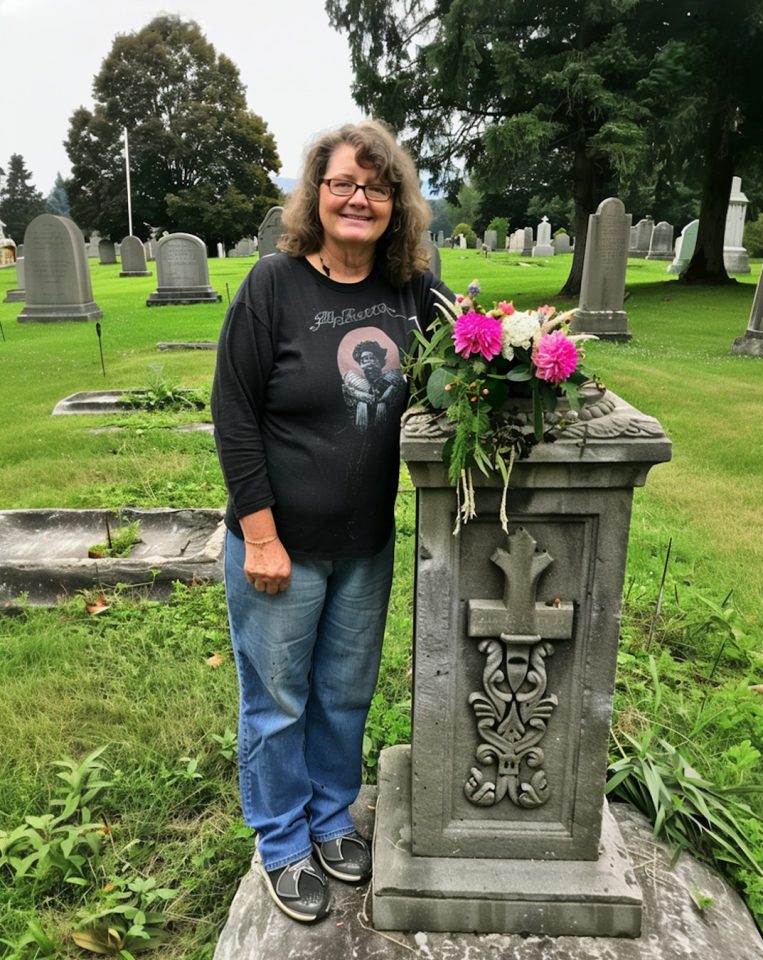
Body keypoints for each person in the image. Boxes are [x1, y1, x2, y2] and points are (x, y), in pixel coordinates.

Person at [211, 120, 452, 923]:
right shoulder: (273, 286)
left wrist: (530, 356)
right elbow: (235, 414)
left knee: (344, 694)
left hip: (365, 546)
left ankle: (328, 816)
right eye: (345, 183)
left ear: (397, 205)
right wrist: (261, 535)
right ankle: (281, 839)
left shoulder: (410, 291)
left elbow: (473, 350)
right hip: (281, 545)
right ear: (317, 193)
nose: (360, 198)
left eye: (377, 187)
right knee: (277, 700)